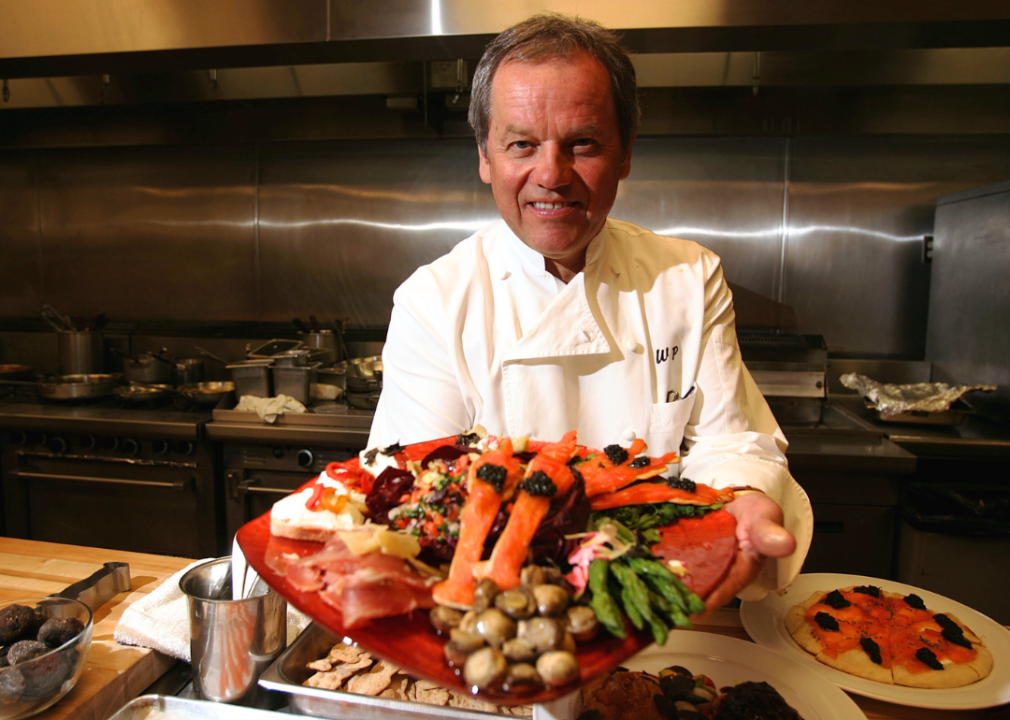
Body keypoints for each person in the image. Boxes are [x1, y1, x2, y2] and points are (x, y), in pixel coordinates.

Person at [368, 14, 812, 611]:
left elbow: (732, 444)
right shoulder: (434, 301)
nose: (551, 175)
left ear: (625, 153)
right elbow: (422, 497)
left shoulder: (687, 277)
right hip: (489, 613)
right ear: (484, 157)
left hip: (660, 603)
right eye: (522, 144)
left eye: (582, 143)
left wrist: (744, 498)